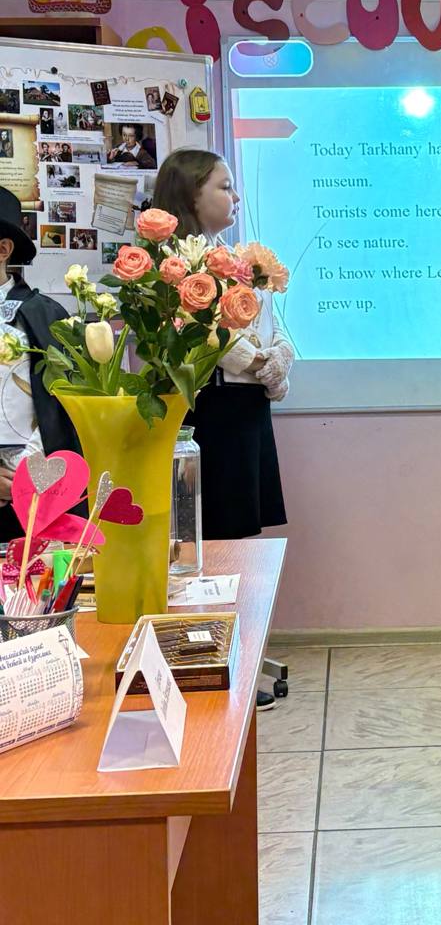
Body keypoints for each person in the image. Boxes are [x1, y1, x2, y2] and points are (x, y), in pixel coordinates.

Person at [153, 149, 293, 704]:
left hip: (244, 412)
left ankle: (232, 652)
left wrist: (278, 357)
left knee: (237, 541)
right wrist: (259, 362)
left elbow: (269, 328)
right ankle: (208, 658)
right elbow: (210, 338)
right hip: (207, 415)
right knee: (207, 542)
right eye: (223, 187)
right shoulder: (172, 266)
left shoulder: (234, 259)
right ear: (191, 194)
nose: (235, 197)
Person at [0, 187, 81, 541]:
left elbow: (65, 410)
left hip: (35, 488)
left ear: (3, 249)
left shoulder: (45, 316)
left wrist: (27, 474)